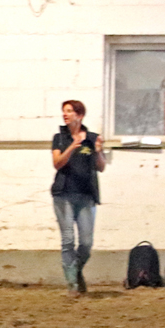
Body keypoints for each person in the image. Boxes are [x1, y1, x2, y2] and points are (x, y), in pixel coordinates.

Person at [51, 100, 106, 296]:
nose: (65, 115)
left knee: (86, 243)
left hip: (86, 195)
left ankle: (76, 270)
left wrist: (99, 151)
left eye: (69, 111)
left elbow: (101, 167)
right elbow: (57, 163)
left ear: (80, 115)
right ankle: (72, 285)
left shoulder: (92, 138)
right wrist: (72, 146)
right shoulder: (59, 138)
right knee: (67, 240)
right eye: (63, 111)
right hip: (63, 194)